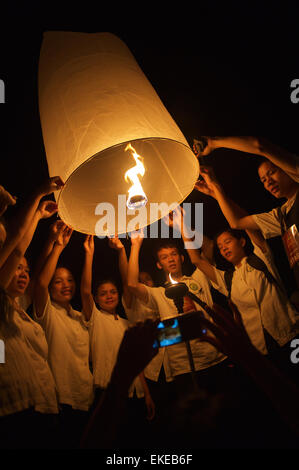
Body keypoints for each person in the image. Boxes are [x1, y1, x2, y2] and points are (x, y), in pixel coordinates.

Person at [127, 230, 229, 401]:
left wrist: (183, 228)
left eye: (174, 254)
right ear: (159, 264)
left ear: (182, 258)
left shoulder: (199, 277)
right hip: (183, 366)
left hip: (215, 355)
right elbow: (131, 284)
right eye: (165, 257)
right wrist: (135, 245)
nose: (171, 259)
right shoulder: (158, 294)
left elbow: (209, 247)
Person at [0, 178, 63, 449]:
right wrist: (37, 194)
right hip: (13, 410)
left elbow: (16, 249)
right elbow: (15, 246)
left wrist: (37, 214)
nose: (21, 272)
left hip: (37, 404)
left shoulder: (13, 309)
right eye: (18, 269)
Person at [193, 136, 299, 295]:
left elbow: (260, 145)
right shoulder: (281, 215)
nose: (268, 182)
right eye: (263, 180)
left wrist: (214, 143)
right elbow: (237, 222)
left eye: (272, 172)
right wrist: (214, 190)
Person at [81, 234, 155, 442]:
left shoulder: (126, 323)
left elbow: (135, 360)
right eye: (103, 293)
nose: (109, 296)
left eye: (112, 292)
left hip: (136, 393)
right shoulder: (95, 318)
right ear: (97, 299)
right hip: (108, 389)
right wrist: (89, 255)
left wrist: (147, 393)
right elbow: (85, 291)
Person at [33, 221, 94, 448]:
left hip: (85, 397)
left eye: (69, 280)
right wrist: (58, 246)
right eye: (58, 281)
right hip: (59, 399)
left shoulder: (80, 317)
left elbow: (87, 293)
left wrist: (89, 254)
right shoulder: (46, 312)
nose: (65, 285)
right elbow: (40, 283)